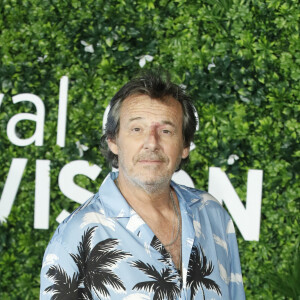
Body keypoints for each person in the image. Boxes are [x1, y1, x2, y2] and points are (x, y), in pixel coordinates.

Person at [40, 70, 246, 299]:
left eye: (166, 131)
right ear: (113, 141)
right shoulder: (76, 236)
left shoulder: (211, 214)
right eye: (137, 129)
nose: (152, 143)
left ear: (184, 146)